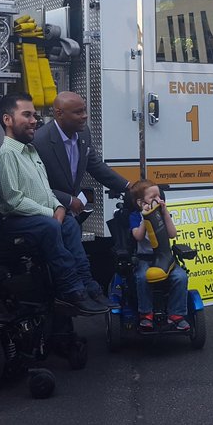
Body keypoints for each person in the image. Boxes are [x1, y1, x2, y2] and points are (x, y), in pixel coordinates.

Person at [0, 92, 109, 315]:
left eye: (34, 115)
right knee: (51, 226)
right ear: (7, 120)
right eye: (27, 115)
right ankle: (71, 291)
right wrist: (51, 213)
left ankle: (88, 284)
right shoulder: (7, 154)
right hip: (12, 220)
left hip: (38, 215)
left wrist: (59, 206)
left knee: (70, 225)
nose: (34, 120)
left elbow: (45, 189)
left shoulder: (31, 151)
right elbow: (14, 200)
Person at [33, 90, 129, 305]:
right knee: (69, 230)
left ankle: (87, 288)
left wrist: (128, 187)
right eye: (77, 112)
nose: (84, 116)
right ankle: (85, 288)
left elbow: (95, 165)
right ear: (59, 113)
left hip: (69, 205)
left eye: (84, 110)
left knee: (75, 225)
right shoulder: (40, 141)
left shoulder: (83, 133)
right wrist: (67, 200)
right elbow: (37, 184)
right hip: (47, 204)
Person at [128, 179, 190, 332]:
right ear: (141, 202)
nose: (158, 200)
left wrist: (165, 213)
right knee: (142, 277)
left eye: (159, 196)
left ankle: (176, 314)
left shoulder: (162, 214)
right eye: (152, 197)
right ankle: (146, 314)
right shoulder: (135, 216)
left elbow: (172, 234)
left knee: (180, 277)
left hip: (164, 257)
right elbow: (138, 236)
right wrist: (145, 217)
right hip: (145, 259)